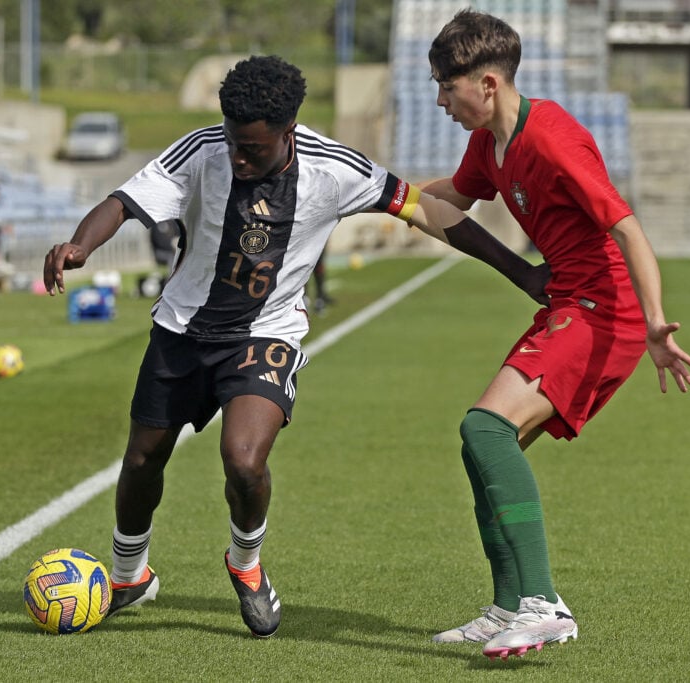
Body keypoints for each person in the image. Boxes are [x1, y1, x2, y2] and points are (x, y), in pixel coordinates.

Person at [43, 55, 549, 639]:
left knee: (243, 459)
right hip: (182, 328)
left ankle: (246, 564)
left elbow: (426, 211)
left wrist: (524, 274)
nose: (238, 155)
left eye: (252, 148)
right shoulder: (202, 150)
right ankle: (129, 575)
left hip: (267, 332)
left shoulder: (334, 167)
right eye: (234, 141)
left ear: (288, 132)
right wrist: (79, 245)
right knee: (141, 460)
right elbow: (123, 202)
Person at [420, 10, 690, 659]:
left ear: (486, 83)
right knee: (484, 444)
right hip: (566, 303)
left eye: (446, 86)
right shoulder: (489, 143)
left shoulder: (551, 139)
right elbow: (451, 201)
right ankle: (510, 605)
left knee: (485, 428)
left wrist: (657, 323)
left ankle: (543, 603)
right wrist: (382, 193)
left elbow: (627, 228)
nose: (439, 101)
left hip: (606, 310)